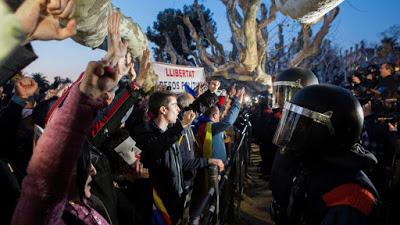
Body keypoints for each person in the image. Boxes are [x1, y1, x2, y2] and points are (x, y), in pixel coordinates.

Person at [270, 84, 380, 225]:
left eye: (301, 126)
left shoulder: (352, 199)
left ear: (325, 131)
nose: (295, 133)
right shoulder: (315, 167)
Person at [135, 91, 224, 225]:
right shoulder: (147, 135)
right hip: (161, 202)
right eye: (174, 105)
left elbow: (192, 110)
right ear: (163, 110)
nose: (178, 109)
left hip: (176, 195)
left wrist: (210, 93)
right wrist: (181, 126)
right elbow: (159, 146)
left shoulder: (171, 130)